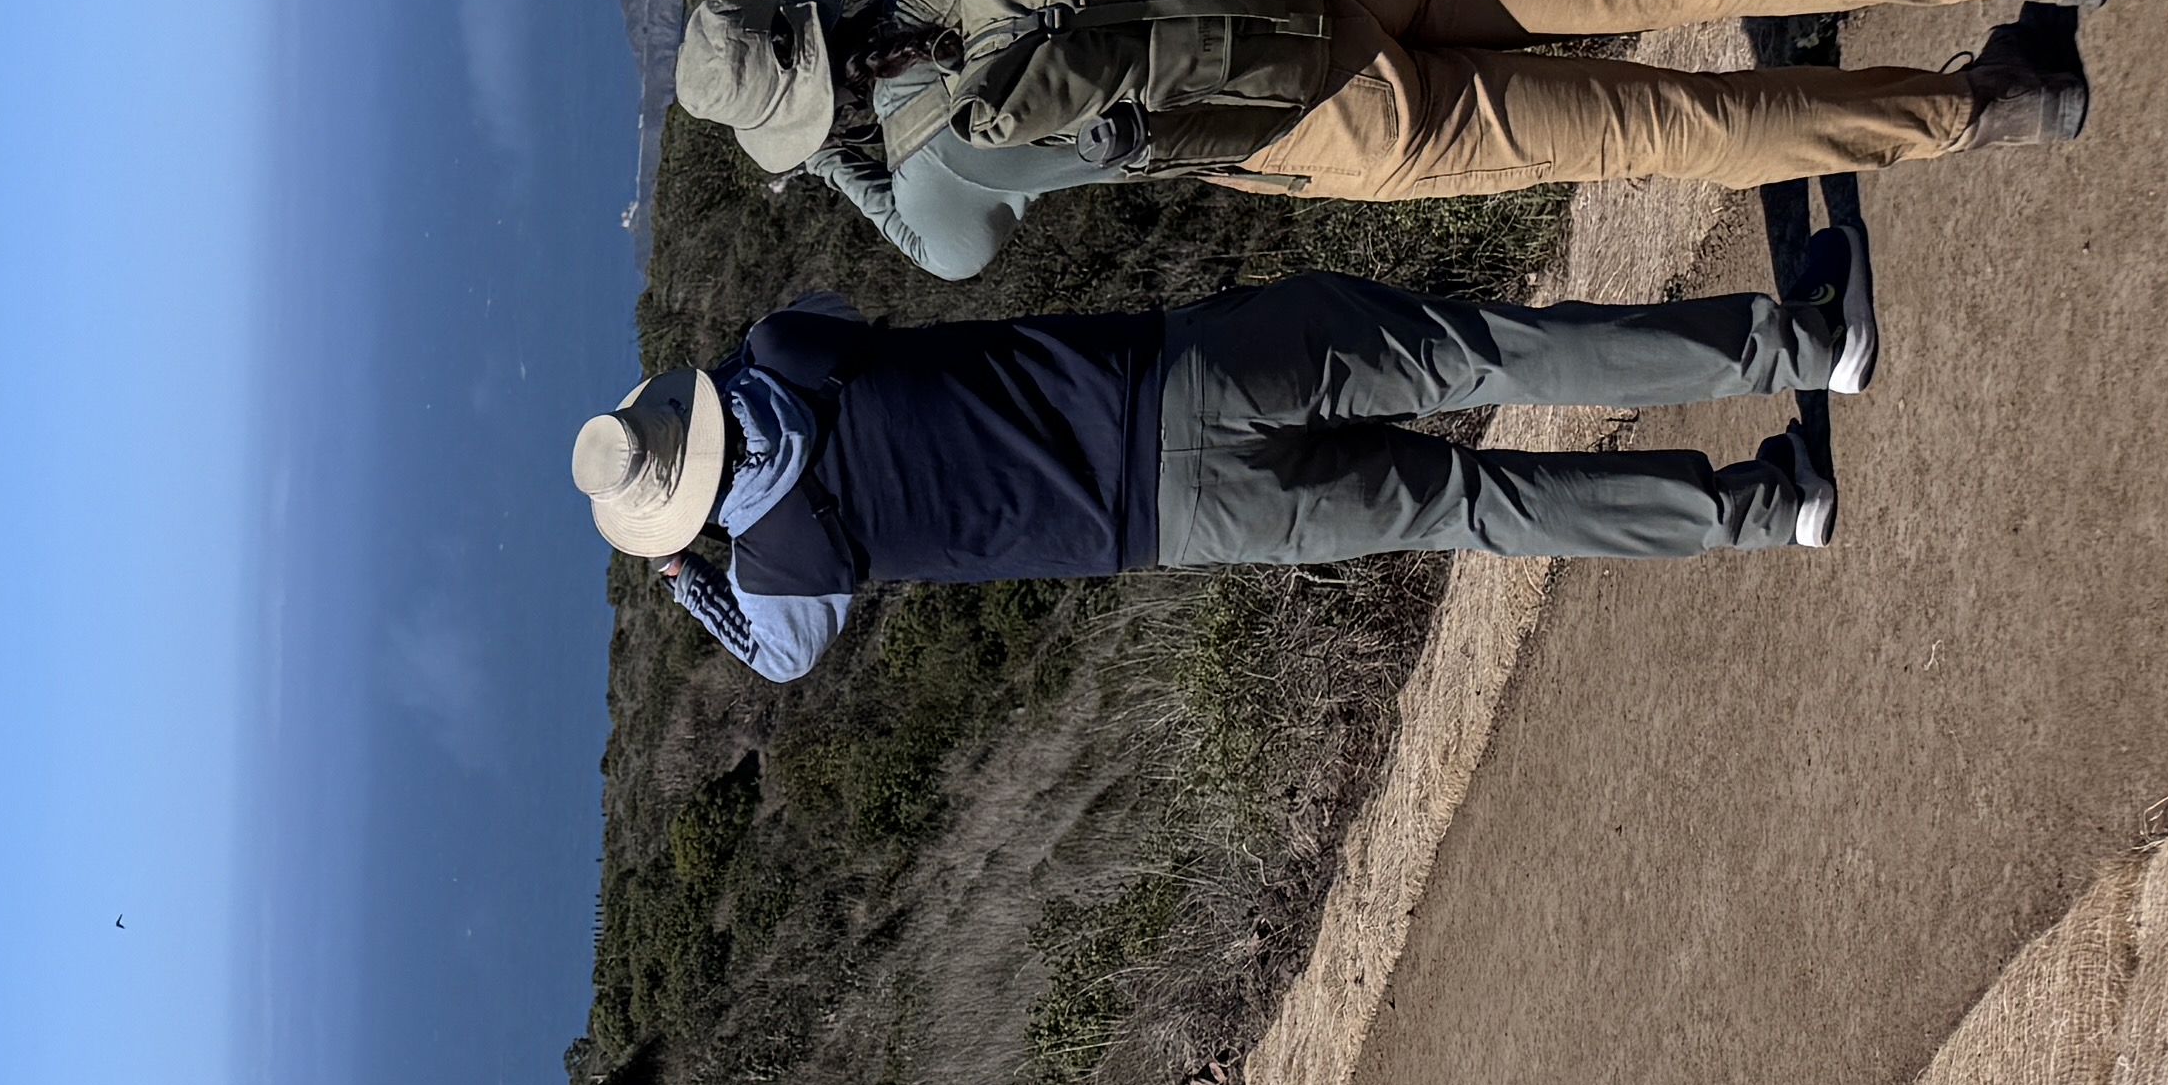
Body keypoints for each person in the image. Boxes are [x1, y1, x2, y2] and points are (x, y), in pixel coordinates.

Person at [575, 223, 1878, 683]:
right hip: (1178, 367)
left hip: (1174, 523)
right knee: (1487, 354)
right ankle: (1803, 345)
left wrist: (696, 579)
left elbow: (782, 659)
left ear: (678, 521)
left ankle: (1772, 510)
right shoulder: (786, 355)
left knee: (1467, 505)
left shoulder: (787, 563)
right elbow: (828, 312)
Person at [673, 0, 2113, 281]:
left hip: (1317, 120)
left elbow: (944, 257)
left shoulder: (937, 174)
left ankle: (1989, 107)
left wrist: (842, 162)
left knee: (1668, 126)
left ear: (807, 115)